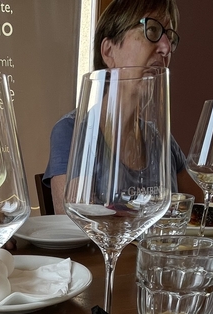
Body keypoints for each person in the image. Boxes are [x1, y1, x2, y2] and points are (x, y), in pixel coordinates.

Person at [42, 0, 195, 214]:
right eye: (151, 30)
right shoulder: (73, 131)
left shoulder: (161, 140)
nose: (166, 48)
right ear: (108, 51)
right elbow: (76, 224)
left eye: (170, 38)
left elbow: (200, 208)